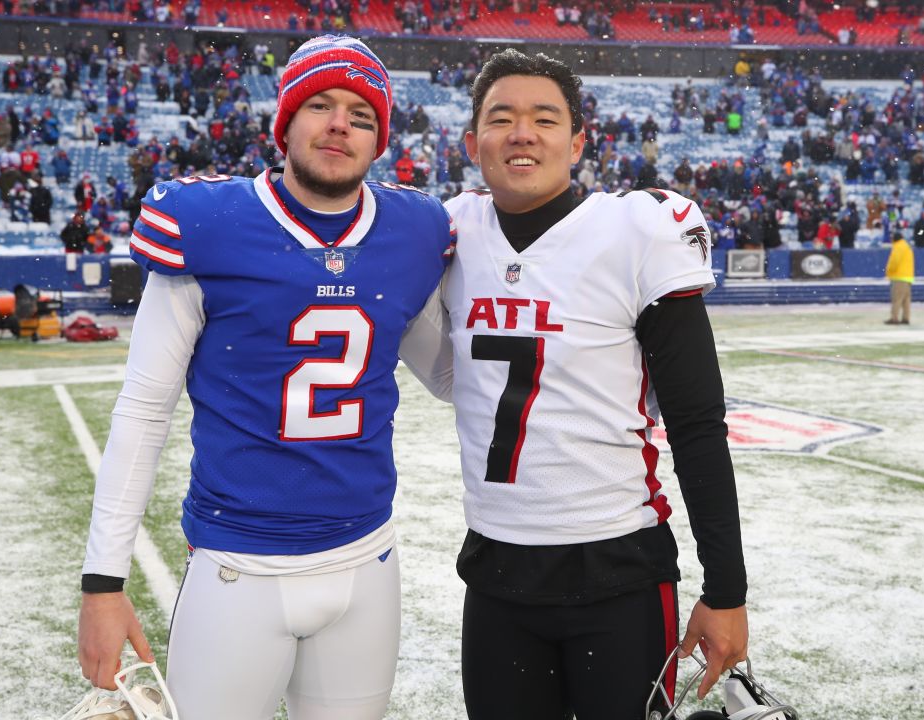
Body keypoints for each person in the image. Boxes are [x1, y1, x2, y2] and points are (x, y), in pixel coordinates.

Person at [76, 34, 456, 720]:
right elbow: (143, 411)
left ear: (380, 141)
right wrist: (103, 583)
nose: (340, 123)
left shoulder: (414, 230)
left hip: (367, 559)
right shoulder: (211, 224)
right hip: (237, 567)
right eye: (320, 104)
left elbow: (455, 377)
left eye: (362, 115)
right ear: (284, 122)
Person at [400, 49, 749, 720]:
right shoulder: (450, 233)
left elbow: (697, 422)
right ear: (472, 142)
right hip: (495, 570)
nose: (522, 133)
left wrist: (726, 590)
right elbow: (454, 379)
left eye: (544, 118)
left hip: (617, 569)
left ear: (578, 139)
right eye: (501, 118)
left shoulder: (635, 230)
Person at [885, 231, 914, 325]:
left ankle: (894, 318)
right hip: (908, 277)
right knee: (906, 300)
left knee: (896, 299)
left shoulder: (897, 247)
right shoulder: (907, 247)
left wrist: (889, 271)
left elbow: (894, 262)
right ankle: (906, 318)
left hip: (899, 277)